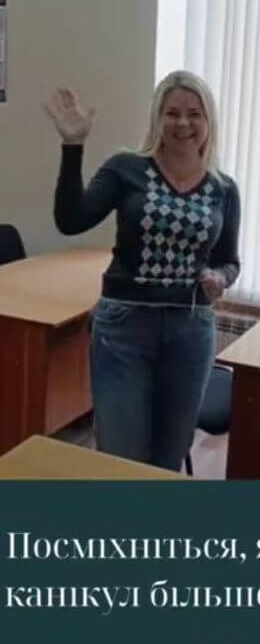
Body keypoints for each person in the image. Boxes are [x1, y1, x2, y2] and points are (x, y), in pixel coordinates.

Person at [45, 70, 241, 471]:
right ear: (157, 117)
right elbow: (70, 220)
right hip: (124, 327)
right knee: (122, 457)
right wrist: (73, 145)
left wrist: (221, 278)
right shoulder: (126, 169)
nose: (183, 123)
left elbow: (230, 261)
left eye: (194, 114)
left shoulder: (223, 188)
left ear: (209, 122)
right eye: (172, 113)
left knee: (169, 456)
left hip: (190, 330)